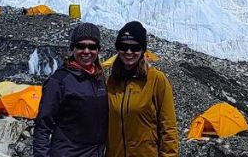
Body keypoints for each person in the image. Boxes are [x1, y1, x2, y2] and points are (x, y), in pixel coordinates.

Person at [33, 22, 108, 157]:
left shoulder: (100, 79)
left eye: (92, 46)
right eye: (80, 46)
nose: (86, 51)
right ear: (73, 48)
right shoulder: (59, 81)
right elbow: (43, 125)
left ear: (98, 49)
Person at [106, 21, 178, 157]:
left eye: (135, 48)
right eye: (123, 46)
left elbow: (168, 129)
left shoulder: (157, 80)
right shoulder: (112, 81)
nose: (128, 52)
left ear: (143, 50)